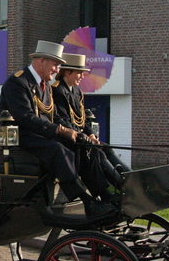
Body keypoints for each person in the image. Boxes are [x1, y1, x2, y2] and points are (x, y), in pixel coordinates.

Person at [0, 40, 115, 219]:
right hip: (23, 137)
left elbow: (53, 115)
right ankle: (86, 201)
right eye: (55, 65)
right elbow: (25, 118)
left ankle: (104, 195)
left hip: (43, 135)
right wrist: (60, 131)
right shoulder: (18, 82)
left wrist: (78, 134)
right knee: (57, 150)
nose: (57, 69)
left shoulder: (44, 85)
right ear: (41, 61)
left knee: (83, 146)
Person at [51, 53, 130, 201]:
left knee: (105, 147)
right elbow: (62, 120)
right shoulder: (57, 90)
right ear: (68, 72)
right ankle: (108, 192)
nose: (81, 77)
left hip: (81, 136)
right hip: (67, 138)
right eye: (79, 73)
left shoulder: (77, 92)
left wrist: (91, 134)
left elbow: (82, 119)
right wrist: (83, 136)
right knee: (96, 154)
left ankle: (129, 180)